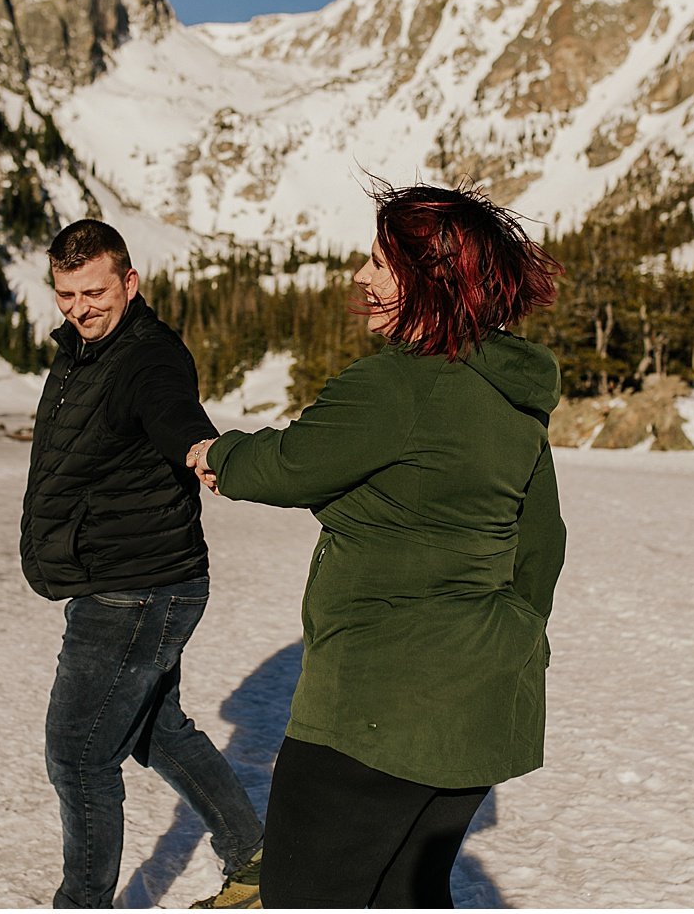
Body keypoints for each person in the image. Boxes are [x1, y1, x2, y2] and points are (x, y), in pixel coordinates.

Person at [189, 182, 568, 908]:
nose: (361, 278)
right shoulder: (513, 401)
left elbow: (292, 462)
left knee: (305, 896)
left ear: (429, 281)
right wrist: (512, 633)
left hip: (375, 710)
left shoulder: (398, 384)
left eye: (379, 263)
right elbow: (541, 543)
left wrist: (219, 453)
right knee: (407, 894)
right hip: (484, 702)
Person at [20, 218, 264, 909]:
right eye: (66, 294)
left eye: (93, 291)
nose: (79, 308)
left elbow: (172, 410)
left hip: (136, 591)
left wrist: (200, 448)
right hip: (139, 582)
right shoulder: (83, 350)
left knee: (78, 756)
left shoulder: (147, 355)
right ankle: (256, 858)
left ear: (130, 282)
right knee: (155, 730)